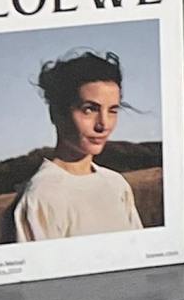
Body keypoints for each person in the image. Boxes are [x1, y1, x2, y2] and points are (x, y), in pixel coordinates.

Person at [12, 49, 144, 240]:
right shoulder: (40, 196)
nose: (103, 124)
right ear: (57, 113)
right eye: (89, 109)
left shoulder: (117, 185)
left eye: (112, 110)